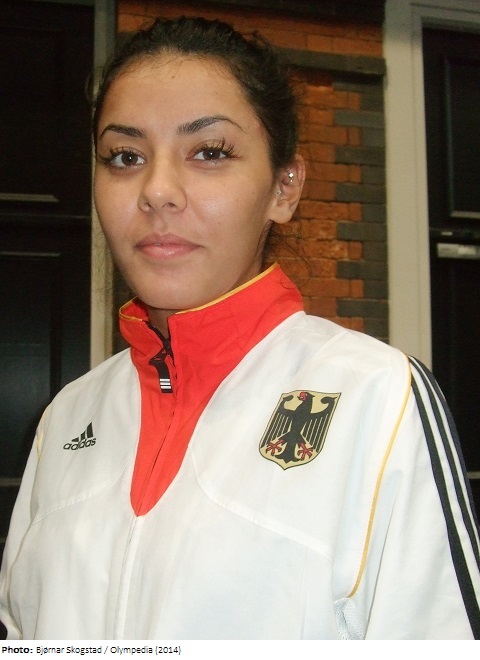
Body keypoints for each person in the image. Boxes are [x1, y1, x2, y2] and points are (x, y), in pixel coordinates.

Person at [0, 16, 479, 641]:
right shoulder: (68, 417)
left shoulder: (379, 399)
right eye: (125, 157)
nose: (157, 191)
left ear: (284, 187)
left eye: (210, 152)